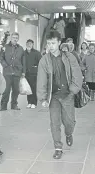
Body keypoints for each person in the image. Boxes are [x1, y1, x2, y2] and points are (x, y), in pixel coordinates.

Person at [37, 30, 82, 159]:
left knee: (69, 122)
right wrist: (43, 98)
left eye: (53, 43)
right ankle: (58, 147)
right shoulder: (44, 60)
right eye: (48, 43)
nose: (50, 46)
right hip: (54, 97)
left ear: (59, 43)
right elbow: (41, 80)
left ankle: (69, 134)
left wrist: (73, 90)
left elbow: (77, 75)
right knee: (54, 123)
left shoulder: (69, 57)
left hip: (68, 95)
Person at [0, 32, 26, 111]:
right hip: (7, 72)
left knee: (16, 90)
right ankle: (3, 106)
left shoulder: (21, 48)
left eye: (16, 38)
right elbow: (0, 57)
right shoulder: (5, 47)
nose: (15, 39)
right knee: (6, 90)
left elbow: (23, 61)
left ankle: (14, 105)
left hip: (17, 72)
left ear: (18, 39)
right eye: (13, 37)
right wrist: (5, 65)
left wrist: (23, 72)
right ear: (11, 38)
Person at [24, 39, 41, 109]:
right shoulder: (23, 53)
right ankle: (29, 102)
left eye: (30, 43)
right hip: (26, 74)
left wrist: (36, 68)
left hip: (34, 74)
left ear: (33, 44)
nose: (29, 45)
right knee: (28, 88)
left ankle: (34, 103)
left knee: (33, 88)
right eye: (28, 43)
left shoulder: (36, 53)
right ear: (26, 44)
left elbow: (40, 62)